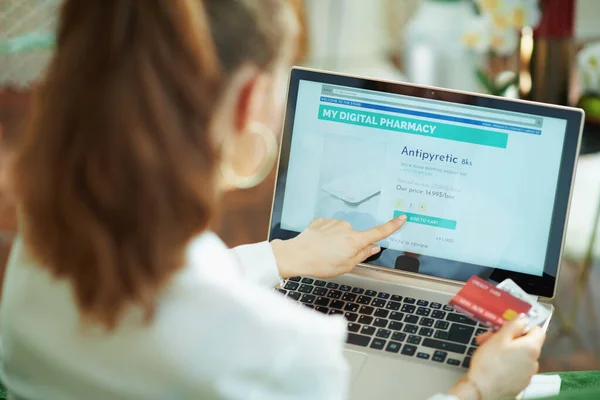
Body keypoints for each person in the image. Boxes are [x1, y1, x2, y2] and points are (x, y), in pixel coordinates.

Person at [0, 1, 545, 399]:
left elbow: (175, 285)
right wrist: (479, 390)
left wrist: (281, 257)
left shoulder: (34, 257)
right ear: (247, 102)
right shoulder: (285, 352)